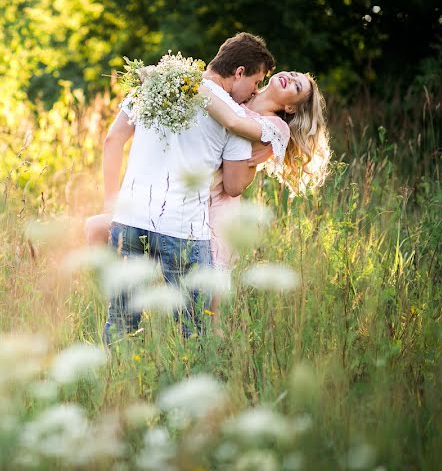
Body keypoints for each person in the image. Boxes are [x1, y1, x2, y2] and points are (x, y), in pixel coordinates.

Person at [88, 64, 331, 339]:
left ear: (291, 109)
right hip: (189, 194)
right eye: (294, 74)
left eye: (297, 86)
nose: (291, 78)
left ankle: (214, 356)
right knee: (104, 230)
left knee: (206, 305)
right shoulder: (239, 94)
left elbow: (234, 172)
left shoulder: (274, 127)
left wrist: (184, 82)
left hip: (218, 202)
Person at [98, 32, 272, 345]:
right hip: (183, 230)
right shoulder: (231, 115)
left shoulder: (157, 82)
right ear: (239, 73)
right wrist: (259, 159)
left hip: (128, 221)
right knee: (196, 335)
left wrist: (112, 203)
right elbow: (233, 186)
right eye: (255, 83)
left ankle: (115, 390)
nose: (254, 92)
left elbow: (113, 141)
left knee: (120, 326)